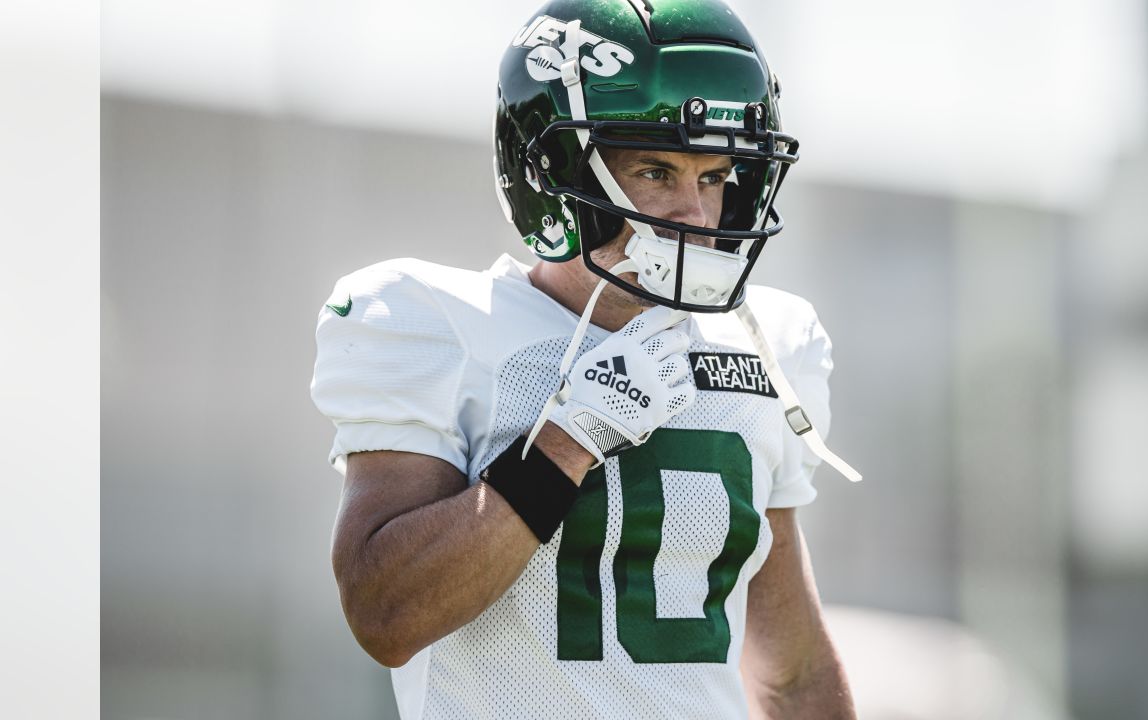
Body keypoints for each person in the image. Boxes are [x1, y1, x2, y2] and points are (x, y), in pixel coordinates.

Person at [311, 1, 861, 717]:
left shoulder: (766, 342)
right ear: (552, 175)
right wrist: (564, 444)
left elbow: (791, 674)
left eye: (716, 175)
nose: (697, 216)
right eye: (656, 171)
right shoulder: (436, 323)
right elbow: (386, 616)